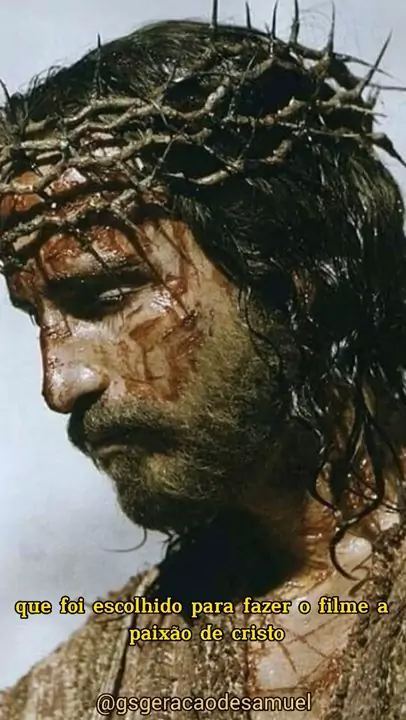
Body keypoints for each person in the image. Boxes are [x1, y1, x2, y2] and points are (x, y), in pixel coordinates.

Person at [0, 7, 405, 719]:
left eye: (106, 296)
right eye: (39, 319)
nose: (59, 385)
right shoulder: (78, 696)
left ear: (293, 272)